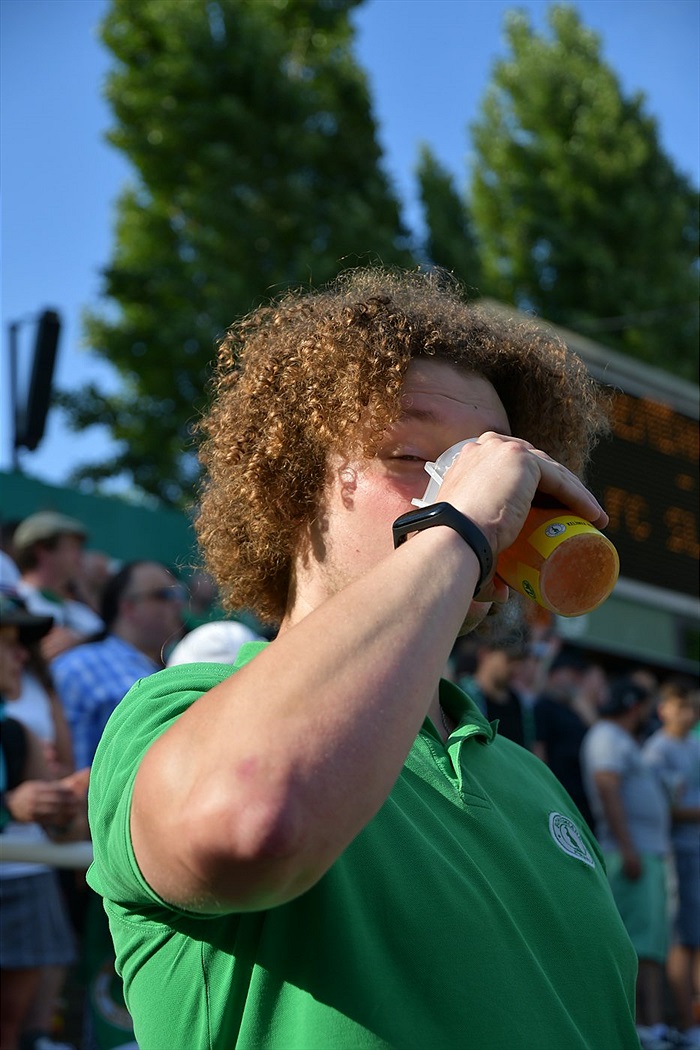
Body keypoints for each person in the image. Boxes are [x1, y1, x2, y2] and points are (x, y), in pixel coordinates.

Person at [87, 268, 639, 1048]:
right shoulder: (178, 713)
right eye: (417, 458)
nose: (490, 493)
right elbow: (252, 820)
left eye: (497, 466)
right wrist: (461, 521)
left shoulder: (527, 775)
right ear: (295, 489)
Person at [0, 591, 88, 1050]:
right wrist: (10, 806)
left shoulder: (16, 733)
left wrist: (84, 796)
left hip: (26, 883)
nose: (21, 655)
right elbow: (16, 805)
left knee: (12, 1027)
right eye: (6, 640)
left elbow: (64, 830)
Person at [581, 676, 673, 1050]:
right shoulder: (607, 737)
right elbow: (607, 786)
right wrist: (628, 847)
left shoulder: (616, 737)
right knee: (635, 946)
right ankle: (640, 1028)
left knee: (648, 945)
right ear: (634, 707)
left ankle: (651, 1025)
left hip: (641, 852)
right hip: (629, 854)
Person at [51, 561, 185, 770]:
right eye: (164, 596)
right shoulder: (79, 666)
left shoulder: (176, 667)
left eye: (179, 595)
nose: (177, 604)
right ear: (129, 607)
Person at [643, 678, 700, 1048]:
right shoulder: (657, 751)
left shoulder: (693, 746)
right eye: (681, 707)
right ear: (664, 709)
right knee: (683, 940)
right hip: (677, 853)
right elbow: (664, 810)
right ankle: (687, 1025)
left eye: (692, 707)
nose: (689, 714)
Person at [13, 513, 103, 662]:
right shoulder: (14, 603)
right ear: (42, 550)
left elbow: (110, 638)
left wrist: (79, 640)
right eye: (73, 547)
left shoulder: (77, 608)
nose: (80, 556)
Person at [533, 650, 601, 827]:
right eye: (571, 674)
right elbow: (539, 748)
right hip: (559, 790)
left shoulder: (576, 707)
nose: (575, 680)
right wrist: (546, 789)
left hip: (581, 794)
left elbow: (598, 733)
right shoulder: (545, 705)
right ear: (556, 674)